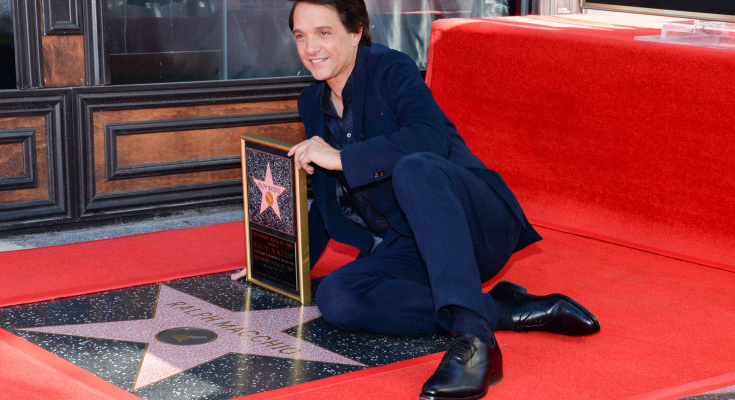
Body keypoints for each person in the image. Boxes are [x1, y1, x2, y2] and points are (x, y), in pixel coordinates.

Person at [234, 1, 601, 398]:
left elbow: (430, 137)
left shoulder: (391, 69)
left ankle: (477, 342)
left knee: (415, 167)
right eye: (301, 36)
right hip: (407, 242)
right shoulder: (312, 101)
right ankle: (498, 308)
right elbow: (325, 193)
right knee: (338, 298)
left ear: (356, 31)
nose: (310, 48)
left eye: (324, 33)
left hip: (470, 223)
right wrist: (279, 260)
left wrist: (342, 157)